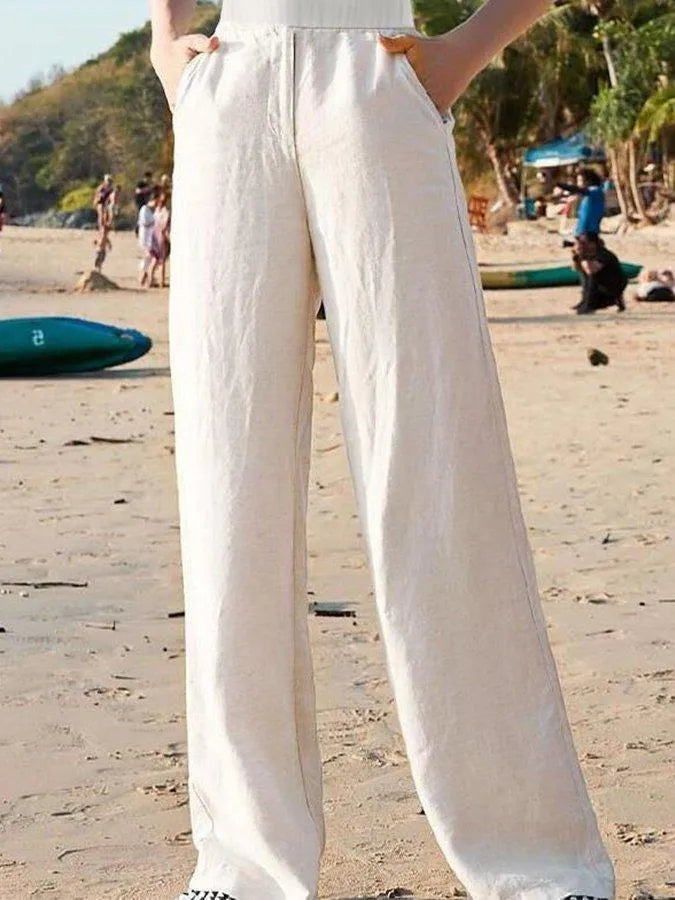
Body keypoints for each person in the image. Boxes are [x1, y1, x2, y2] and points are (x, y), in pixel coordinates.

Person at [150, 1, 615, 898]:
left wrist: (462, 52)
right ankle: (243, 863)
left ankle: (532, 862)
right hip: (229, 87)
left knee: (436, 464)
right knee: (225, 477)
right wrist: (165, 43)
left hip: (374, 78)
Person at [572, 232, 628, 314]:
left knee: (592, 276)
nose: (581, 245)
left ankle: (589, 304)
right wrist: (577, 256)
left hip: (612, 287)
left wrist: (583, 257)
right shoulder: (588, 253)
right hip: (601, 288)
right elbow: (576, 268)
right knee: (583, 273)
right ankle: (586, 301)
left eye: (584, 243)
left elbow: (592, 270)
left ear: (592, 244)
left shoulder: (603, 254)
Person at [558, 167, 606, 238]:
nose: (578, 183)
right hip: (582, 231)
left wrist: (561, 185)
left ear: (588, 180)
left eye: (580, 180)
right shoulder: (589, 194)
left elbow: (578, 190)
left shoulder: (596, 191)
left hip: (589, 232)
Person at [150, 191, 171, 287]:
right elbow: (165, 225)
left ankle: (150, 278)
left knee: (155, 258)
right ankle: (161, 281)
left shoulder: (156, 211)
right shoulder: (165, 212)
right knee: (162, 259)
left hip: (154, 235)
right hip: (161, 236)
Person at [137, 192, 157, 287]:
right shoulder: (145, 209)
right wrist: (154, 223)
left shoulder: (152, 210)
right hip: (144, 237)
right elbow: (144, 223)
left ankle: (145, 277)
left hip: (150, 237)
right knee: (148, 256)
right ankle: (143, 276)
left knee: (148, 257)